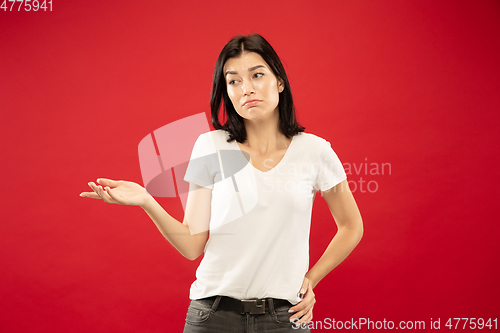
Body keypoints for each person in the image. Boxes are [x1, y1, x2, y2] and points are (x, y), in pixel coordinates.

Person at [80, 34, 363, 332]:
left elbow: (351, 225)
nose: (247, 89)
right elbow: (192, 244)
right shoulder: (210, 146)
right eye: (234, 81)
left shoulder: (315, 151)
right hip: (213, 317)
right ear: (226, 91)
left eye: (257, 75)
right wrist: (146, 200)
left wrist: (311, 279)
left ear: (279, 81)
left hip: (284, 318)